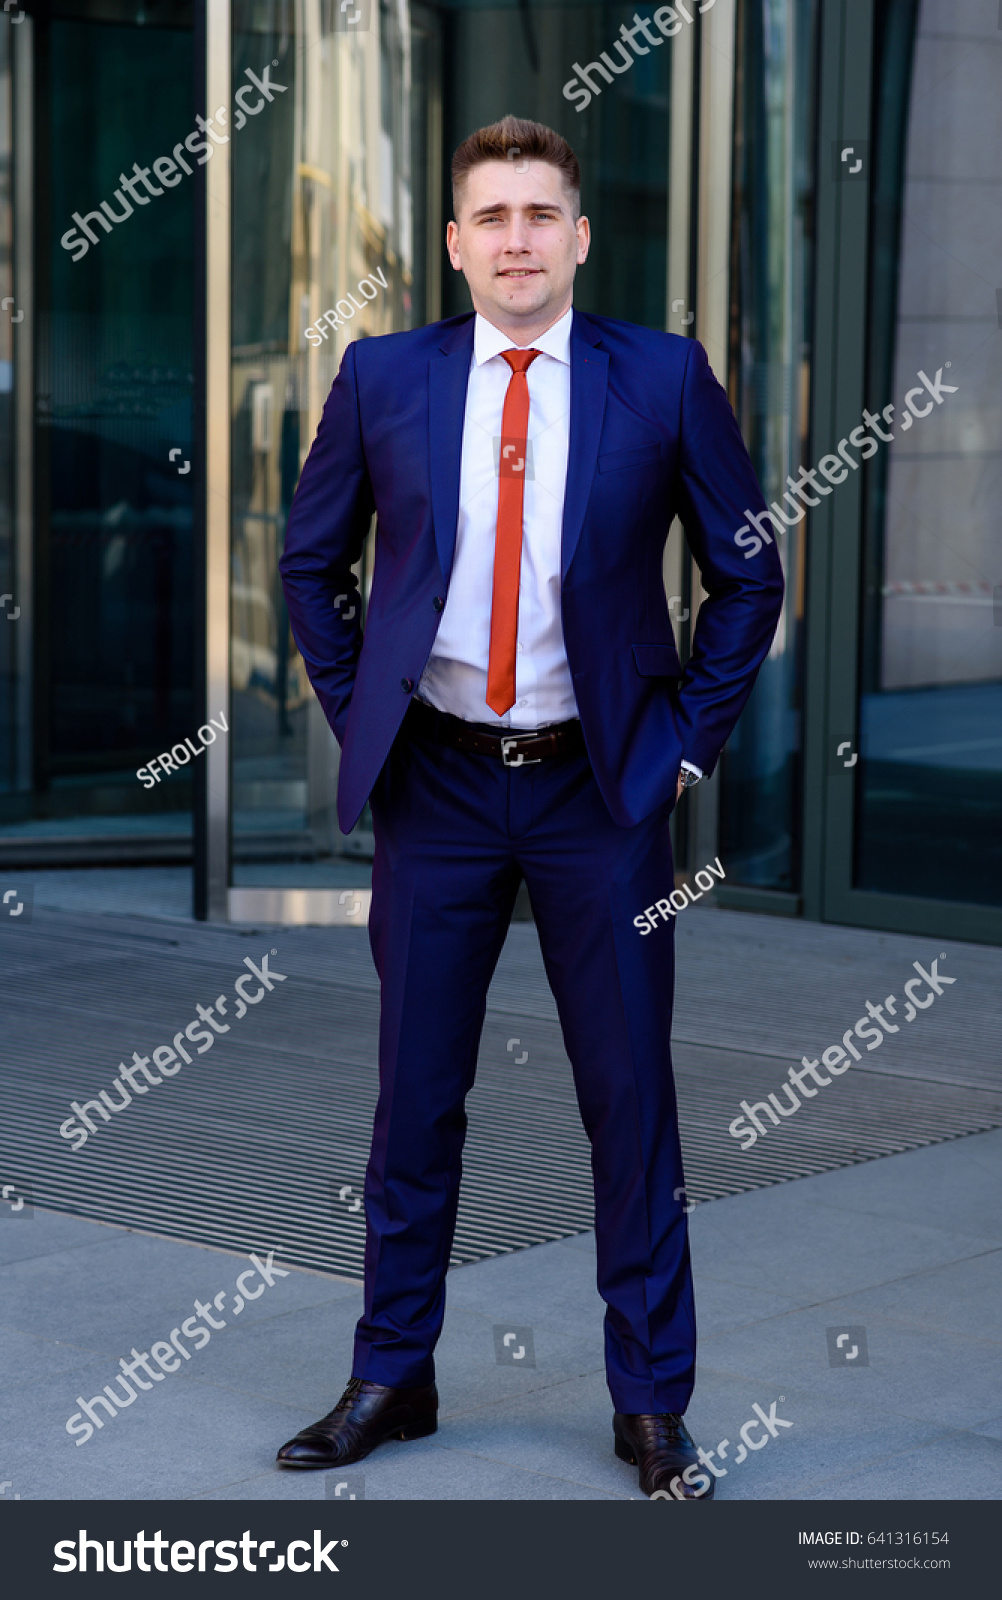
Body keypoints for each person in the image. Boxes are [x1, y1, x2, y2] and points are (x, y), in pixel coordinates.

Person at [276, 115, 784, 1499]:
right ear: (454, 243)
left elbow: (747, 574)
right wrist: (360, 707)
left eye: (538, 214)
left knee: (628, 1102)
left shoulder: (661, 379)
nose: (514, 239)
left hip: (600, 791)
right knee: (413, 1098)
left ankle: (649, 1404)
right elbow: (310, 562)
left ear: (576, 235)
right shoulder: (383, 378)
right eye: (489, 216)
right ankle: (393, 1371)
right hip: (435, 784)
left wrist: (680, 748)